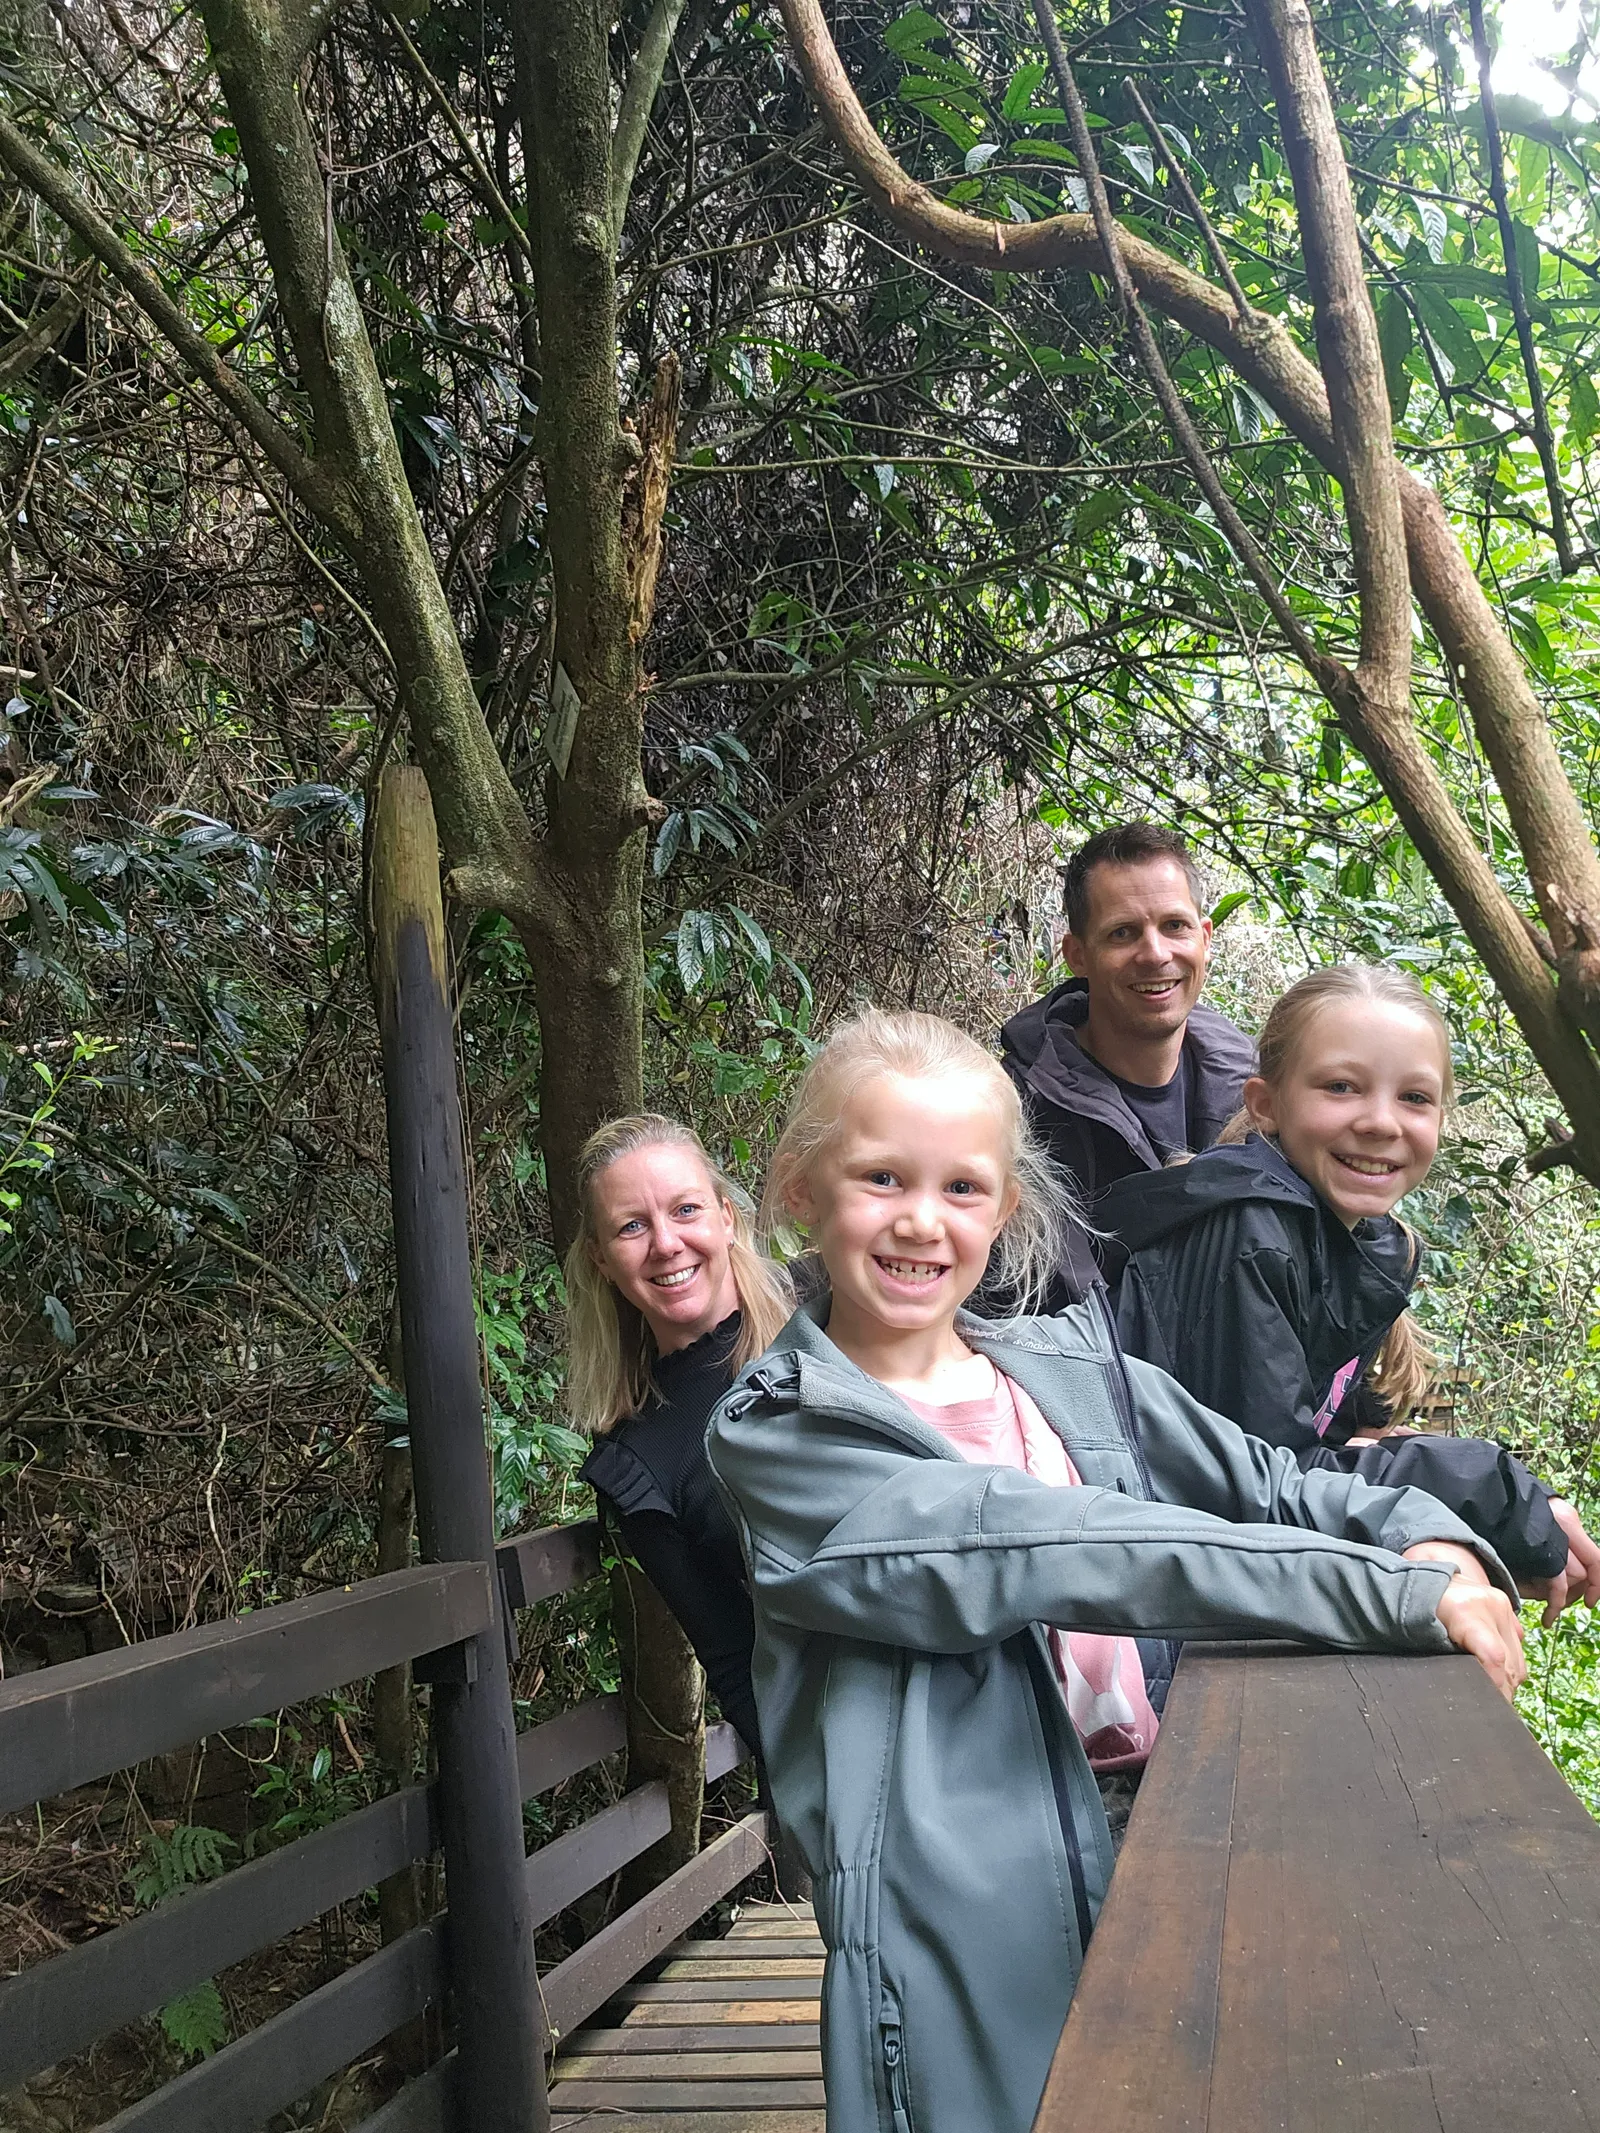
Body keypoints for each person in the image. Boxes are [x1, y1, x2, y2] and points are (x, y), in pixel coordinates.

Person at [707, 1008, 1523, 2133]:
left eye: (960, 1189)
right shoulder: (784, 1433)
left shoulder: (1062, 1367)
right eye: (881, 1178)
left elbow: (1271, 1479)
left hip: (1168, 1823)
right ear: (802, 1190)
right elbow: (1063, 1545)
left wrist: (1425, 1534)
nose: (920, 1222)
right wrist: (1392, 1596)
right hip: (960, 1907)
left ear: (1005, 1209)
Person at [1105, 962, 1600, 1616]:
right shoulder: (1249, 1234)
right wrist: (1492, 1490)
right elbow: (1265, 1494)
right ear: (1266, 1104)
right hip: (1147, 1616)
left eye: (1415, 1097)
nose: (1380, 1121)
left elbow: (1316, 1450)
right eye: (1341, 1086)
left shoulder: (1359, 1241)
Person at [565, 1115, 792, 1763]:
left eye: (685, 1209)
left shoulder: (834, 1313)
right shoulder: (635, 1461)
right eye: (632, 1225)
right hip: (842, 1766)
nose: (666, 1242)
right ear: (601, 1259)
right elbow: (731, 1657)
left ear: (726, 1215)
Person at [1000, 821, 1255, 1294]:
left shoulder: (1258, 1094)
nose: (1155, 954)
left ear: (1205, 938)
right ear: (1077, 955)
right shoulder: (1014, 1113)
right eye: (1123, 933)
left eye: (1174, 926)